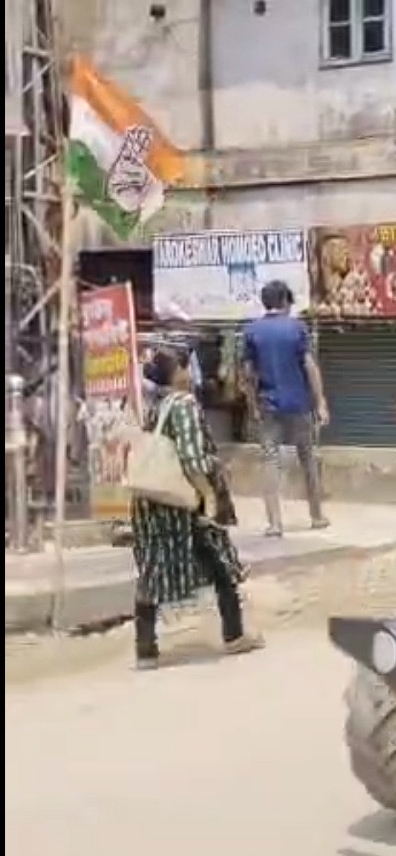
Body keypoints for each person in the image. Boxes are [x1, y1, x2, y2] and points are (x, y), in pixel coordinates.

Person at [131, 350, 263, 670]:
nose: (191, 373)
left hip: (152, 503)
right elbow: (191, 458)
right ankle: (234, 635)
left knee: (153, 569)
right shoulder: (184, 404)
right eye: (186, 367)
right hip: (183, 501)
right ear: (177, 373)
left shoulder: (156, 406)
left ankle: (145, 650)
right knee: (220, 562)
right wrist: (208, 495)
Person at [242, 280, 329, 537]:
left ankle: (275, 523)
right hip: (299, 404)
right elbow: (310, 366)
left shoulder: (252, 331)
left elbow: (248, 374)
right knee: (308, 458)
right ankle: (316, 515)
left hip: (268, 404)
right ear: (284, 301)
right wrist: (320, 401)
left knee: (270, 461)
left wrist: (252, 405)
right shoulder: (297, 328)